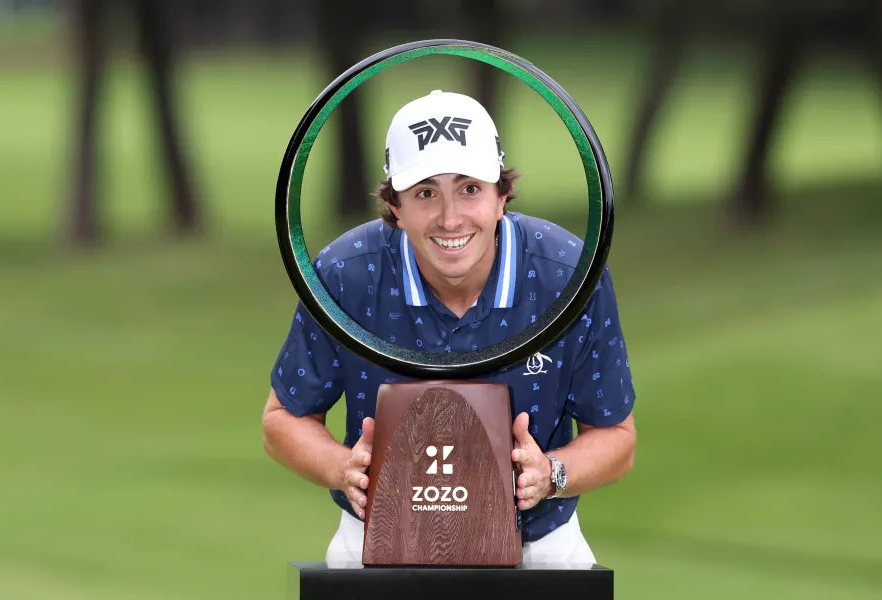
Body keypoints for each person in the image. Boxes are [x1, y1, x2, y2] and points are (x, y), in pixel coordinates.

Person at [262, 90, 636, 566]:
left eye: (470, 188)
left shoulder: (568, 276)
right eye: (425, 193)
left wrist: (552, 473)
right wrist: (342, 469)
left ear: (502, 196)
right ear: (395, 206)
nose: (450, 217)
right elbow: (282, 420)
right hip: (373, 542)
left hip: (540, 547)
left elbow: (616, 437)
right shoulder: (345, 274)